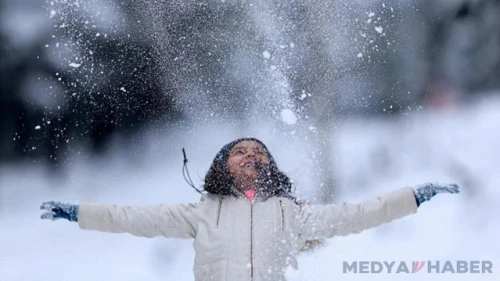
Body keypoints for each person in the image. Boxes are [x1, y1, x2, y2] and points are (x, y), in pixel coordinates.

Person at [40, 137, 459, 281]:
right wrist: (79, 212)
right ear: (222, 165)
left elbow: (357, 214)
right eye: (239, 151)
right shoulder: (201, 212)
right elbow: (131, 217)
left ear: (270, 166)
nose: (250, 156)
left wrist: (413, 197)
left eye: (259, 152)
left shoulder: (290, 213)